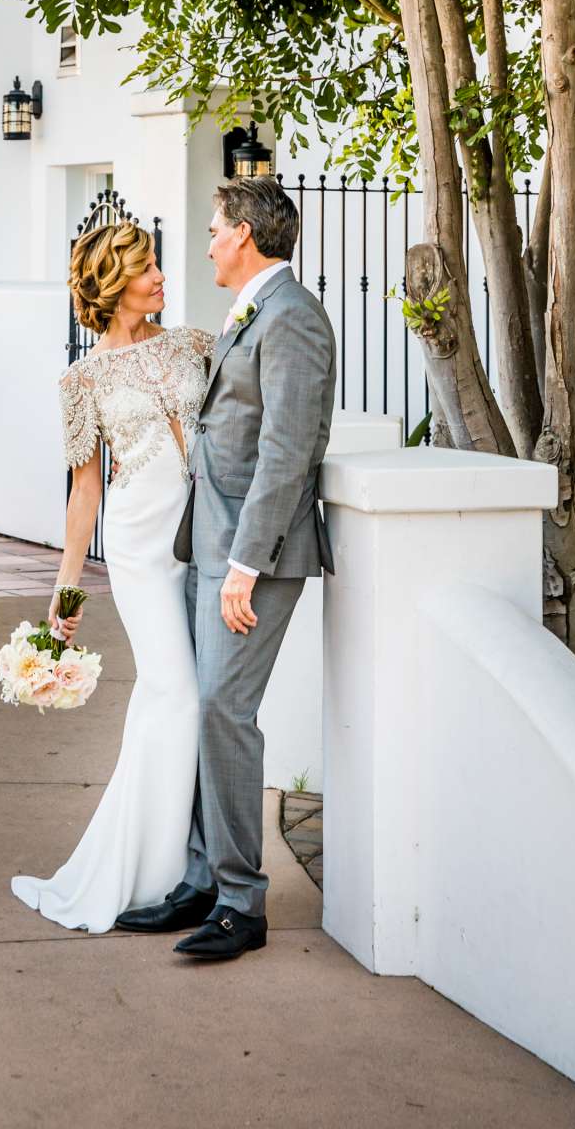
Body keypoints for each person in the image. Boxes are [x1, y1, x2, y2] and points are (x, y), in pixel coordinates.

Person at [114, 175, 336, 964]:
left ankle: (243, 903)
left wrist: (245, 563)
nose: (205, 242)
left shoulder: (295, 319)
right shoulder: (253, 310)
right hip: (211, 548)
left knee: (222, 711)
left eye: (213, 229)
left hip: (253, 556)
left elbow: (286, 451)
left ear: (245, 233)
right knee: (208, 714)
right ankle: (206, 880)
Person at [9, 216, 209, 933]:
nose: (161, 276)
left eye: (157, 264)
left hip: (203, 540)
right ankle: (152, 877)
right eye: (146, 267)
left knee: (176, 701)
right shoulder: (83, 379)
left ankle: (177, 867)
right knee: (176, 693)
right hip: (137, 546)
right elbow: (86, 492)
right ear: (113, 285)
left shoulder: (194, 345)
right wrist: (65, 593)